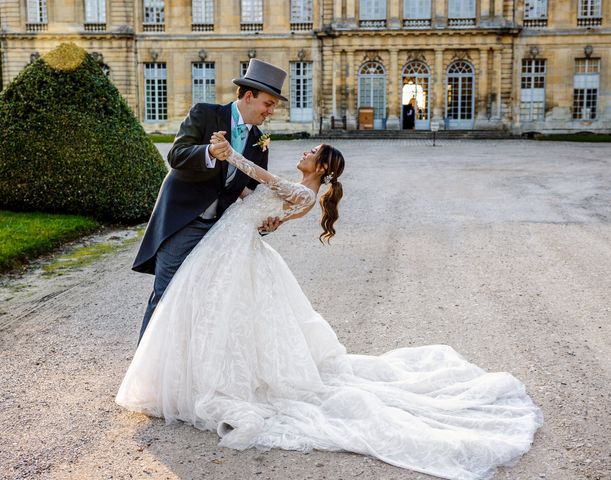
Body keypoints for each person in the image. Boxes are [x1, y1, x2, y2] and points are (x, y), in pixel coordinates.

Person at [116, 137, 543, 479]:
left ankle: (206, 379)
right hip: (230, 246)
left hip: (231, 250)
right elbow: (263, 206)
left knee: (223, 315)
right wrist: (257, 205)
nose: (305, 152)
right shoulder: (303, 193)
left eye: (312, 153)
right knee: (217, 315)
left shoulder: (303, 191)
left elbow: (260, 177)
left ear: (321, 168)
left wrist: (230, 157)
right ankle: (193, 374)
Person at [131, 58, 288, 341]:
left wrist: (265, 219)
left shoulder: (260, 141)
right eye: (268, 103)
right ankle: (145, 373)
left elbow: (248, 190)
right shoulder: (204, 114)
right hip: (183, 221)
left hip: (218, 230)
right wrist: (209, 153)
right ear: (249, 96)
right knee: (165, 294)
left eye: (274, 105)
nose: (271, 111)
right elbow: (176, 156)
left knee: (203, 298)